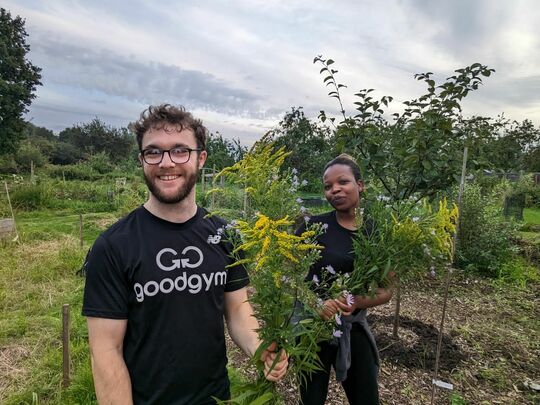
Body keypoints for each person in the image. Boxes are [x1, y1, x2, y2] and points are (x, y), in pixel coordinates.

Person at [82, 104, 287, 405]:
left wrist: (260, 349)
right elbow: (105, 351)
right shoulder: (113, 246)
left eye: (180, 151)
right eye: (153, 152)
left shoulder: (225, 235)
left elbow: (238, 311)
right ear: (142, 160)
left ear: (200, 158)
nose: (166, 163)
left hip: (216, 398)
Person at [298, 154, 393, 405]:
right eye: (328, 187)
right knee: (311, 400)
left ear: (360, 185)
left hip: (353, 327)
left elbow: (387, 291)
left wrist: (357, 301)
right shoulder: (312, 227)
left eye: (343, 182)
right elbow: (287, 277)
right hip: (313, 331)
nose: (335, 190)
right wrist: (316, 303)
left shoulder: (378, 234)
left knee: (366, 398)